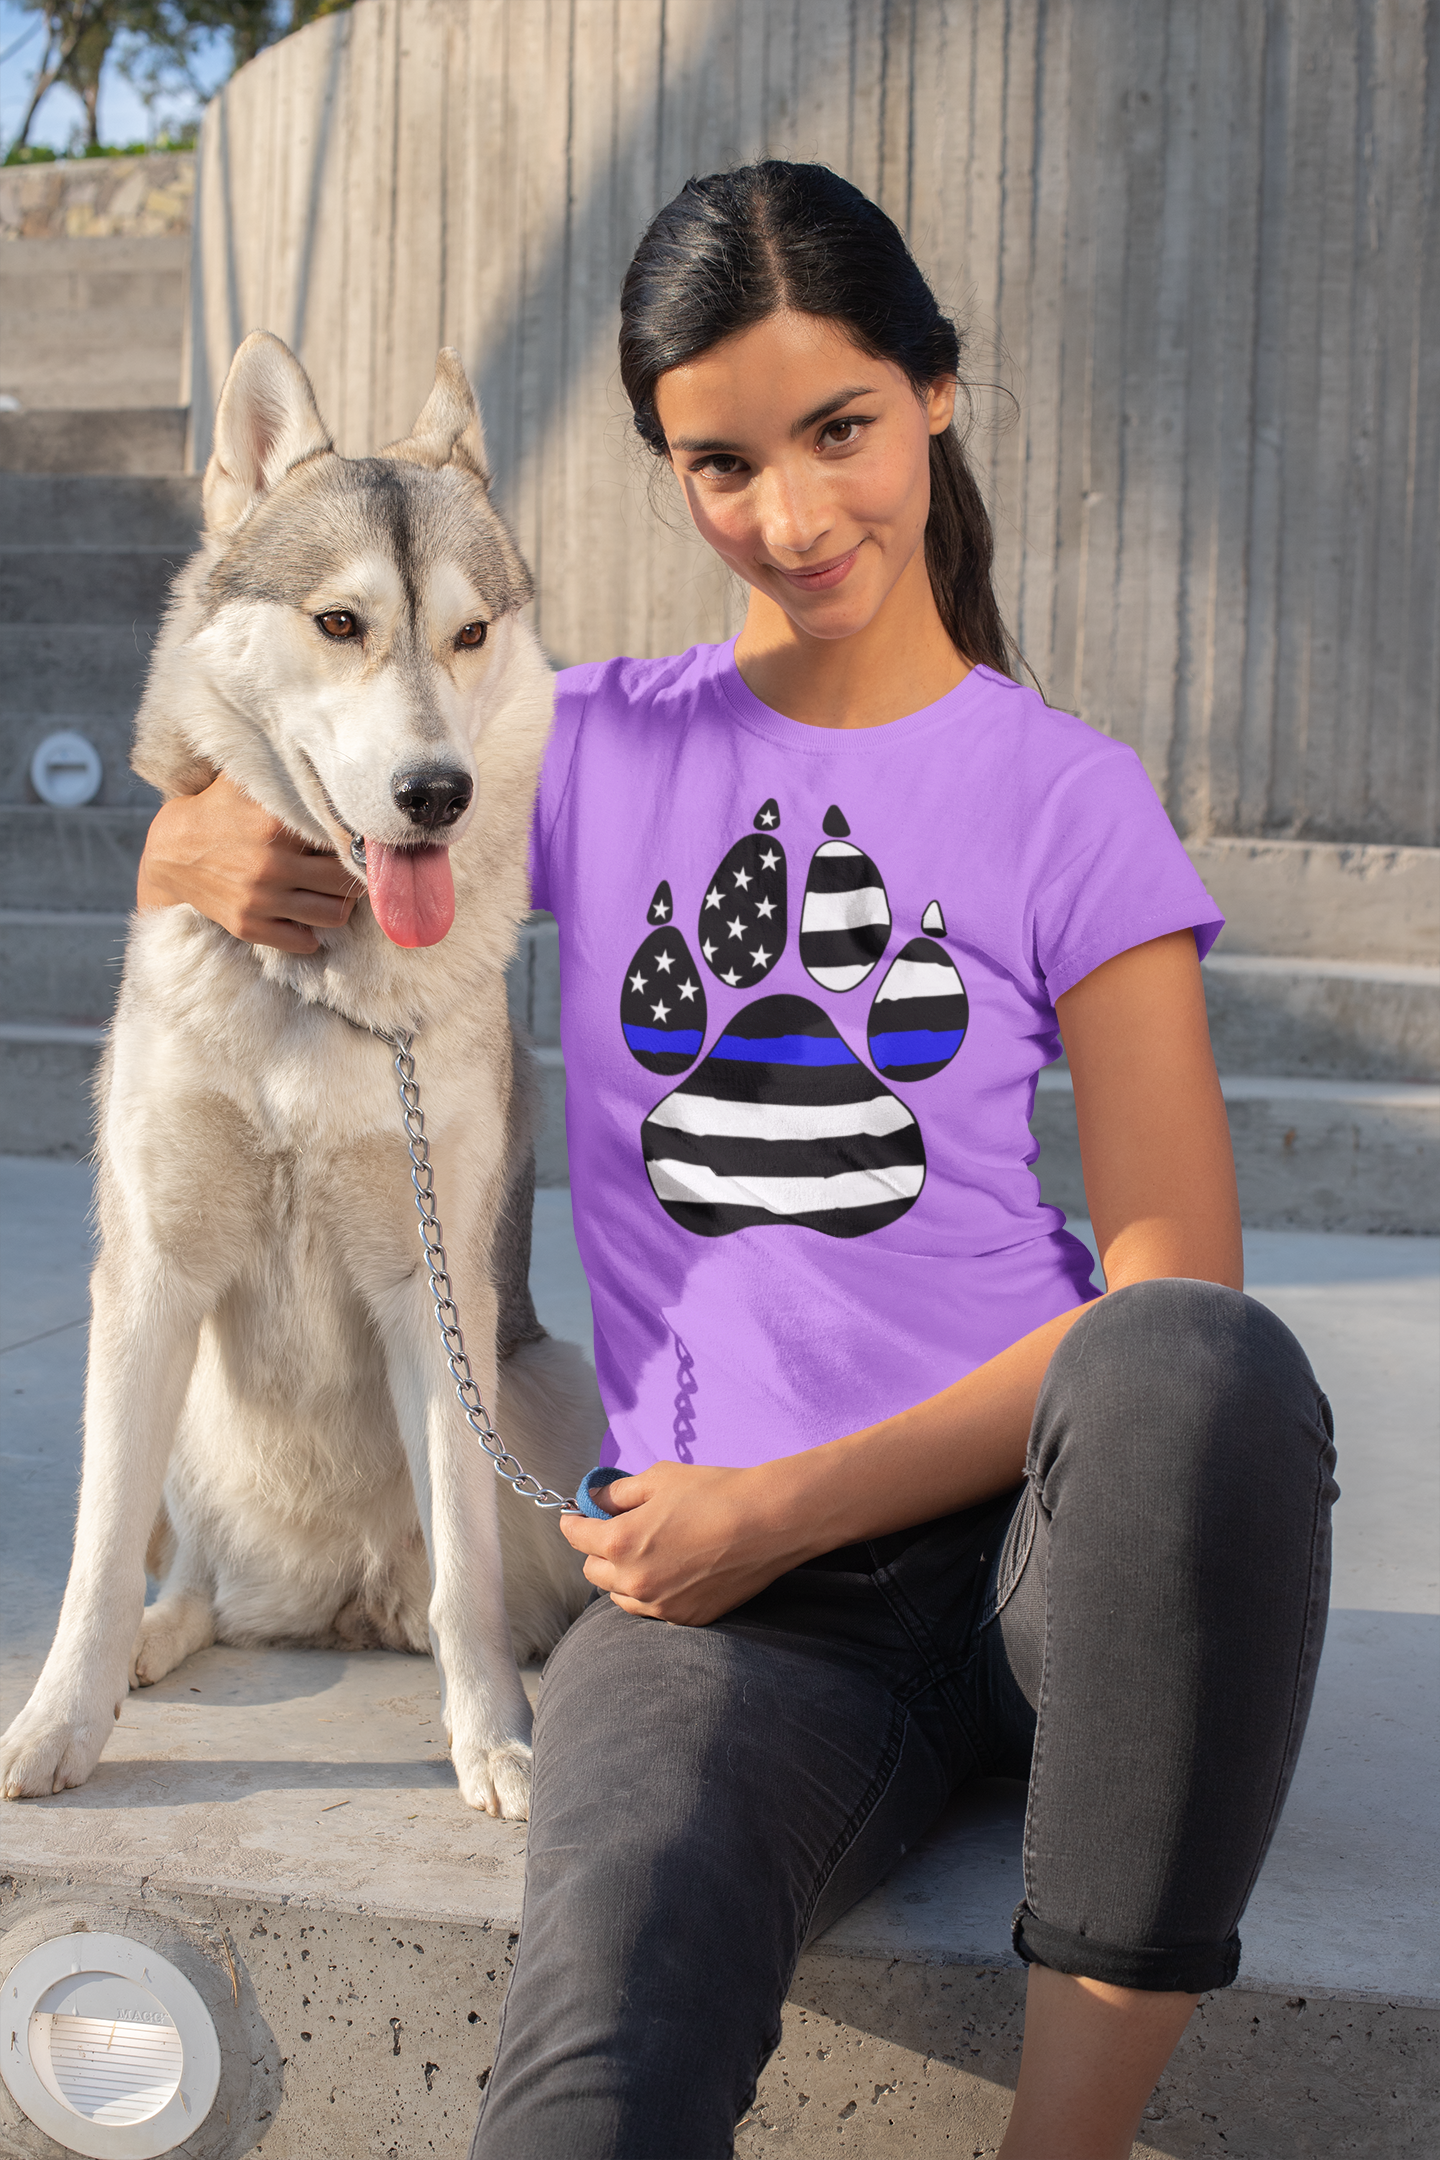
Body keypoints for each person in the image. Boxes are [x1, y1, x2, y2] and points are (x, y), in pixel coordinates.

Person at [135, 162, 1337, 2160]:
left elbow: (1170, 1288)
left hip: (1050, 1552)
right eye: (721, 462)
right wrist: (188, 844)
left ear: (933, 395)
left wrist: (785, 1501)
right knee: (591, 2079)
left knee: (1203, 1371)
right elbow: (268, 770)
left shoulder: (1064, 795)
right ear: (668, 472)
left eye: (840, 429)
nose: (791, 517)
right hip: (726, 1622)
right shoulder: (577, 748)